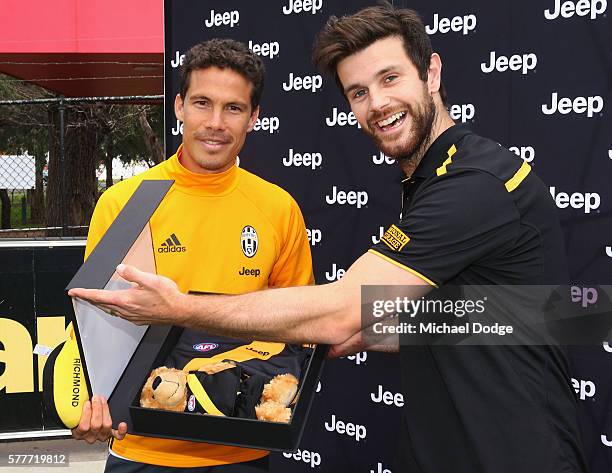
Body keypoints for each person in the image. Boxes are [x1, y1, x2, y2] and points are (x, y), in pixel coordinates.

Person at [70, 4, 588, 473]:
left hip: (515, 453)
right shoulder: (433, 180)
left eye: (390, 78)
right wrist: (365, 334)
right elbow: (495, 313)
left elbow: (340, 310)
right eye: (359, 92)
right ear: (178, 106)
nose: (377, 103)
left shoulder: (472, 185)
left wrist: (180, 309)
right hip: (444, 447)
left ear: (431, 72)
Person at [70, 39, 314, 473]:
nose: (215, 123)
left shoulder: (278, 208)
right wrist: (93, 402)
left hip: (239, 449)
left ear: (254, 118)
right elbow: (99, 328)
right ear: (179, 106)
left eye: (234, 108)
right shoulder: (123, 203)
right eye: (202, 103)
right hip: (141, 450)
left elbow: (297, 329)